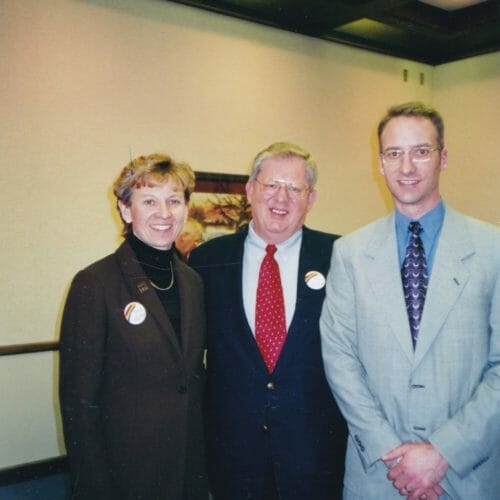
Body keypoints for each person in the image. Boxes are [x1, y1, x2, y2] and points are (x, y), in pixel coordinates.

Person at [320, 102, 500, 500]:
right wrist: (392, 453)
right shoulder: (350, 253)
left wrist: (443, 452)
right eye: (394, 153)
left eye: (421, 151)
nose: (407, 167)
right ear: (380, 163)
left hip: (467, 475)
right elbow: (340, 359)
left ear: (443, 158)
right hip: (379, 477)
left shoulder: (493, 249)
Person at [189, 142, 347, 500]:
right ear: (250, 190)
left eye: (295, 188)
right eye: (271, 185)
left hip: (316, 452)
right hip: (234, 454)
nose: (282, 197)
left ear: (312, 197)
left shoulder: (341, 257)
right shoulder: (206, 260)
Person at [59, 154, 208, 500]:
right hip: (125, 471)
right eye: (149, 201)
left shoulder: (193, 282)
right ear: (126, 211)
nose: (164, 213)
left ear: (186, 209)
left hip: (187, 464)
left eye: (174, 200)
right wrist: (94, 486)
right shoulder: (95, 283)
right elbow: (79, 403)